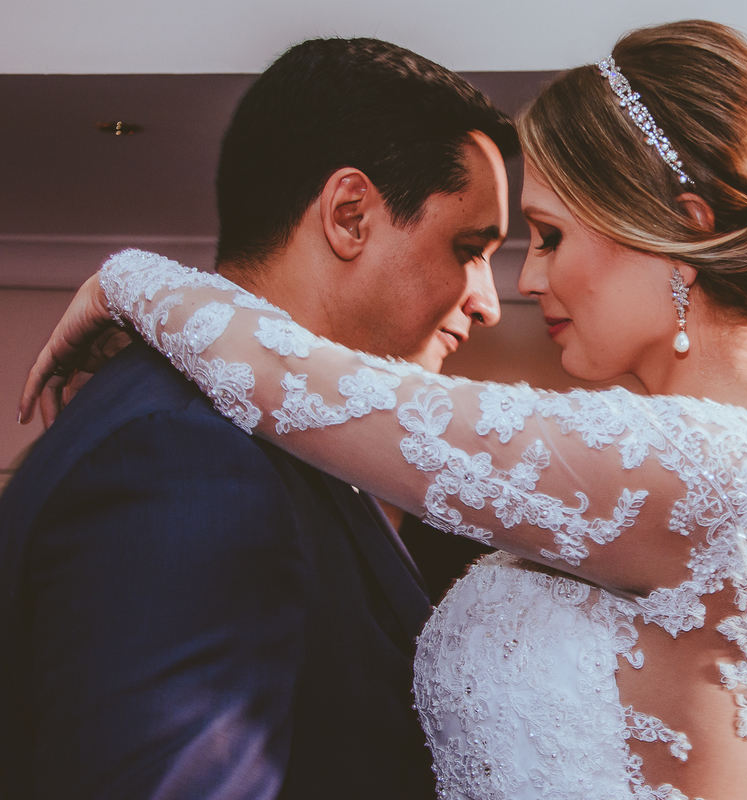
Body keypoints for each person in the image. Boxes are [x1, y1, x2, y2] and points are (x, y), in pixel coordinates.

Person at [22, 20, 747, 800]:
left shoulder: (711, 470)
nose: (522, 282)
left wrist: (134, 282)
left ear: (678, 230)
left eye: (549, 236)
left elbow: (334, 395)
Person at [0, 38, 517, 798]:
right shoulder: (189, 461)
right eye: (469, 248)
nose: (489, 301)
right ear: (350, 215)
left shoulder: (273, 436)